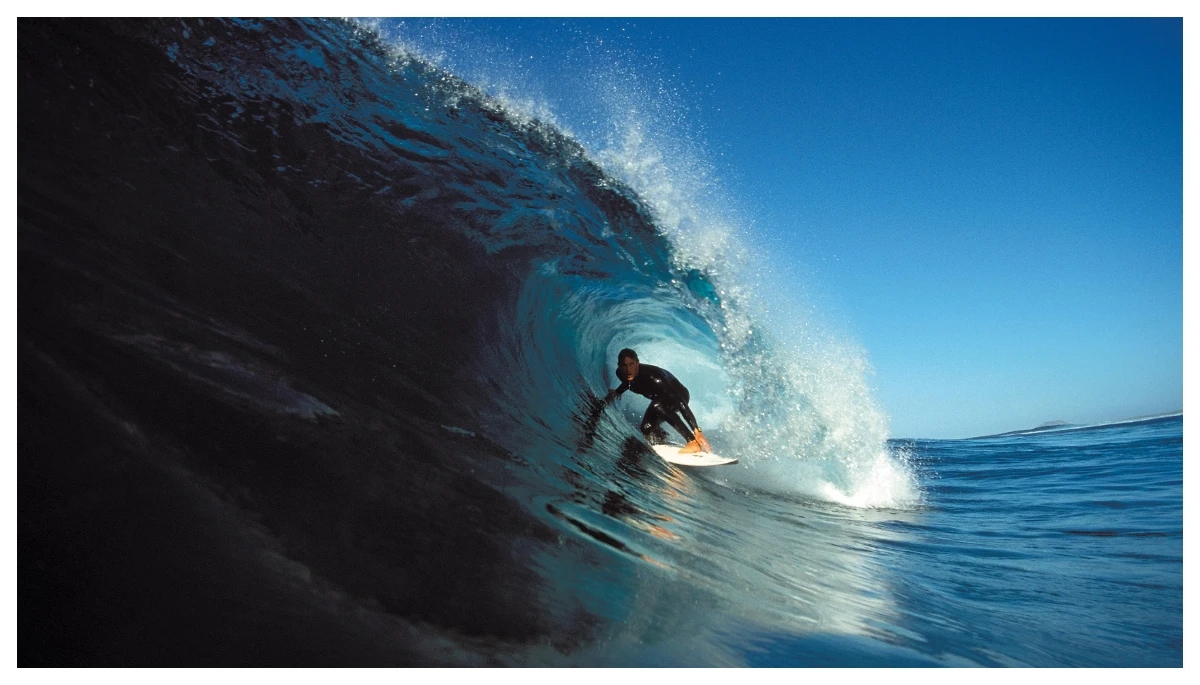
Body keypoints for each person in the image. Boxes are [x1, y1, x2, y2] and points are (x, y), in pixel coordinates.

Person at [601, 348, 712, 454]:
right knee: (646, 428)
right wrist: (618, 392)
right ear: (619, 366)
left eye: (631, 364)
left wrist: (697, 430)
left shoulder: (655, 378)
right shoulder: (621, 374)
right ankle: (662, 437)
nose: (628, 369)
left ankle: (692, 441)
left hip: (679, 395)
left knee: (657, 406)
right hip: (660, 401)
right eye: (624, 366)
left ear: (637, 363)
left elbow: (680, 402)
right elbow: (629, 383)